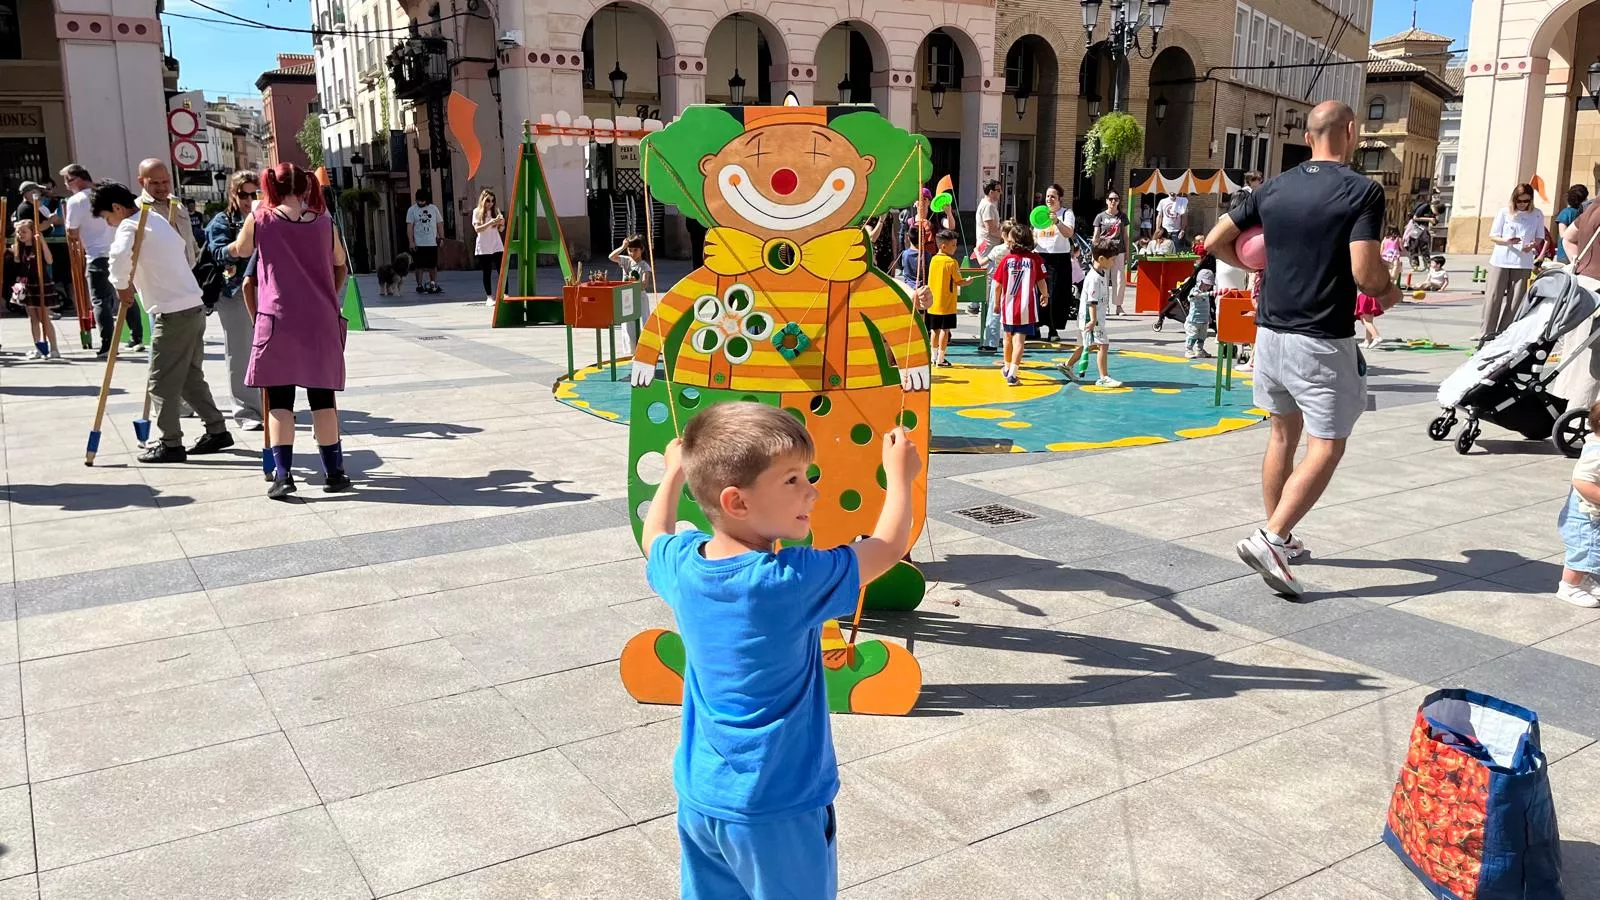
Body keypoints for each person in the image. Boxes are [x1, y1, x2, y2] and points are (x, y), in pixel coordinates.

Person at [641, 402, 919, 900]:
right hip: (777, 806)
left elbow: (654, 536)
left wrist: (672, 474)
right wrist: (901, 477)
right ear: (737, 502)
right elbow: (889, 545)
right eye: (791, 480)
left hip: (702, 797)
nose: (811, 489)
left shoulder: (683, 565)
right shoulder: (787, 580)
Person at [1205, 100, 1398, 597]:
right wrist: (1389, 290)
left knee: (1281, 437)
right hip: (1321, 338)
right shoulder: (1362, 191)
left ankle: (1280, 536)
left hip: (1269, 332)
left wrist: (1253, 267)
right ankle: (1271, 537)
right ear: (1351, 133)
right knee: (1328, 444)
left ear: (1309, 137)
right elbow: (1366, 273)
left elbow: (1214, 241)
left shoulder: (1273, 187)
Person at [226, 162, 351, 499]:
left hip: (278, 318)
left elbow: (240, 250)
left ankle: (284, 476)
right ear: (306, 186)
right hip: (320, 320)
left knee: (280, 401)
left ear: (272, 187)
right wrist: (328, 295)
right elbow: (340, 263)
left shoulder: (261, 219)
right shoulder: (325, 222)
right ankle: (335, 473)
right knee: (323, 398)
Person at [93, 180, 233, 463]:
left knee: (160, 381)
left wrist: (121, 287)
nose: (109, 224)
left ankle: (171, 443)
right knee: (189, 376)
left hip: (173, 312)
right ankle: (217, 430)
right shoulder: (154, 219)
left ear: (117, 208)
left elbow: (118, 257)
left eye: (108, 217)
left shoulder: (131, 225)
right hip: (192, 305)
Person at [204, 171, 266, 431]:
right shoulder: (223, 220)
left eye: (255, 194)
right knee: (240, 353)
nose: (249, 199)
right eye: (244, 194)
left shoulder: (267, 216)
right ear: (233, 194)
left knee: (267, 351)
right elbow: (217, 251)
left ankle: (270, 405)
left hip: (266, 290)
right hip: (233, 292)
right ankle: (246, 410)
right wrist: (238, 247)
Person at [63, 164, 144, 356]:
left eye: (68, 180)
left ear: (78, 178)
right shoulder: (107, 194)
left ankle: (108, 344)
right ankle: (136, 337)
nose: (66, 185)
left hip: (97, 255)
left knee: (101, 300)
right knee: (126, 293)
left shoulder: (76, 201)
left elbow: (71, 231)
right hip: (120, 250)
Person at [1481, 183, 1545, 346]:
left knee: (1516, 299)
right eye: (1519, 201)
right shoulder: (1504, 212)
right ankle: (1486, 332)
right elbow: (1493, 235)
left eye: (1526, 201)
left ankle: (1504, 333)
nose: (1522, 204)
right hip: (1502, 258)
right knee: (1494, 296)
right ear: (1514, 200)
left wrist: (1532, 245)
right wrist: (1506, 241)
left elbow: (1539, 237)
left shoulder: (1537, 214)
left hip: (1523, 261)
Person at [1058, 239, 1122, 387]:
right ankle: (1103, 377)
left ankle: (1067, 365)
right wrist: (1093, 320)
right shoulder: (1093, 278)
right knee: (1103, 345)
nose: (1113, 263)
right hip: (1092, 320)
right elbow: (1091, 302)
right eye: (1112, 260)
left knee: (1085, 345)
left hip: (1090, 319)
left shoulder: (1101, 273)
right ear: (1101, 259)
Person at [992, 223, 1048, 386]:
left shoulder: (1007, 260)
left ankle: (1007, 366)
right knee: (1020, 341)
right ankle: (1013, 373)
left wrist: (996, 303)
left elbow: (997, 285)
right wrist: (1045, 295)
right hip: (1026, 307)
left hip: (1008, 306)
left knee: (1007, 338)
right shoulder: (1035, 259)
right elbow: (1041, 280)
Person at [1556, 402, 1600, 608]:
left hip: (1592, 514)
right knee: (1584, 550)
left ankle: (1582, 579)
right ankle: (1569, 586)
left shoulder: (1596, 440)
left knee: (1592, 551)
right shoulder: (1597, 454)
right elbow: (1581, 480)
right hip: (1585, 517)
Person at [9, 219, 61, 359]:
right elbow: (18, 263)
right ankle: (38, 347)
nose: (21, 234)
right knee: (33, 318)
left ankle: (54, 348)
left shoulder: (38, 246)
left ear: (32, 232)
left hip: (40, 283)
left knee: (44, 318)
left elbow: (49, 260)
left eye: (24, 231)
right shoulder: (19, 247)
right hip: (26, 285)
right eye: (19, 232)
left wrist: (42, 242)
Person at [136, 159, 199, 267]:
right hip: (163, 279)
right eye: (155, 183)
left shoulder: (178, 205)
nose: (161, 187)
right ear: (142, 182)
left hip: (191, 276)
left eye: (165, 181)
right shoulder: (139, 209)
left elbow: (190, 240)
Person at [926, 229, 975, 368]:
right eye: (953, 245)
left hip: (933, 303)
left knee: (934, 330)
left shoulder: (933, 259)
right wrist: (968, 281)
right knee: (945, 331)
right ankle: (941, 358)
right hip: (947, 303)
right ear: (944, 246)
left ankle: (933, 356)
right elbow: (959, 281)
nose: (955, 248)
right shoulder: (952, 262)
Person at [1033, 183, 1075, 341]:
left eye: (1053, 196)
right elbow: (1035, 236)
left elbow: (1069, 233)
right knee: (1038, 293)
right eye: (1047, 196)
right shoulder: (1039, 213)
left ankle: (1052, 329)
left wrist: (1057, 221)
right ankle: (1035, 326)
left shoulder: (1066, 213)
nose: (1049, 199)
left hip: (1058, 258)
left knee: (1054, 293)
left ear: (1060, 199)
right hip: (1040, 256)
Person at [1092, 191, 1130, 316]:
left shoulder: (1122, 217)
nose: (1113, 201)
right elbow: (1096, 236)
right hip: (1104, 252)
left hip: (1119, 251)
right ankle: (1105, 305)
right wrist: (1094, 252)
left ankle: (1119, 306)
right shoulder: (1100, 216)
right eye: (1111, 199)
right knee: (1104, 278)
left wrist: (1127, 252)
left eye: (1116, 199)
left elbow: (1125, 235)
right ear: (1107, 201)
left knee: (1119, 279)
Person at [976, 221, 1012, 355]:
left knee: (994, 311)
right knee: (1009, 313)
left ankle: (991, 343)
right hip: (1012, 282)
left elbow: (982, 262)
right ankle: (1010, 340)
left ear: (1003, 234)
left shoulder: (998, 249)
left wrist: (977, 251)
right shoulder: (1015, 249)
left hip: (999, 280)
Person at [472, 189, 506, 307]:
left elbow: (501, 229)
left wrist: (501, 223)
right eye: (488, 201)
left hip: (496, 244)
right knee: (487, 272)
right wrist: (490, 223)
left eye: (492, 201)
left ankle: (505, 294)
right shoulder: (477, 212)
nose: (490, 203)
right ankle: (489, 297)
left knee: (502, 270)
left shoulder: (495, 211)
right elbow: (477, 229)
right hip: (484, 246)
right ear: (483, 200)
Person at [406, 187, 442, 293]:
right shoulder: (412, 210)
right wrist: (411, 241)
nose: (420, 202)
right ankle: (419, 285)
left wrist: (441, 237)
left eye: (422, 200)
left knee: (433, 265)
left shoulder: (434, 209)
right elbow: (410, 227)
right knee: (419, 266)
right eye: (418, 200)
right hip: (419, 243)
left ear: (427, 200)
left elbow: (439, 224)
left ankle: (433, 284)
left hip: (432, 242)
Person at [1184, 267, 1215, 358]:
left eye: (1209, 285)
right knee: (1192, 335)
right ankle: (1188, 350)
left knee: (1202, 336)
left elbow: (1207, 306)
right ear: (1200, 282)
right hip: (1194, 320)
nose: (1208, 287)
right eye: (1206, 284)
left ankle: (1199, 350)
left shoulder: (1205, 293)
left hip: (1204, 320)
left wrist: (1209, 316)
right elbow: (1190, 298)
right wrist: (1194, 296)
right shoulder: (1195, 291)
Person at [1555, 185, 1590, 265]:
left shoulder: (1566, 212)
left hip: (1565, 254)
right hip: (1572, 253)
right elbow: (1563, 235)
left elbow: (1562, 234)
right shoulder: (1580, 214)